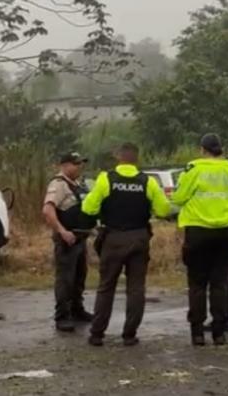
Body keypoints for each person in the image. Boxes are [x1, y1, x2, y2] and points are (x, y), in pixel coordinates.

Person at [81, 143, 171, 347]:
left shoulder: (107, 179)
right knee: (136, 288)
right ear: (136, 159)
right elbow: (164, 210)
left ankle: (97, 334)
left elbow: (88, 208)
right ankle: (129, 335)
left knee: (106, 287)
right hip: (139, 237)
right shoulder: (147, 181)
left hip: (113, 238)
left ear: (118, 157)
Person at [172, 133, 228, 346]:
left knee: (197, 283)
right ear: (220, 149)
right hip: (227, 232)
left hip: (198, 232)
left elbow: (178, 198)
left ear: (202, 149)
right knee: (220, 282)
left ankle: (197, 333)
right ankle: (219, 332)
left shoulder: (193, 169)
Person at [42, 151, 94, 332]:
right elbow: (48, 210)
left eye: (81, 163)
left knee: (79, 276)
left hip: (80, 237)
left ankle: (77, 310)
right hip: (67, 239)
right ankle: (62, 316)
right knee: (65, 279)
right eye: (76, 163)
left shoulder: (77, 184)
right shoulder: (59, 185)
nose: (80, 167)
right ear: (64, 165)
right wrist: (62, 231)